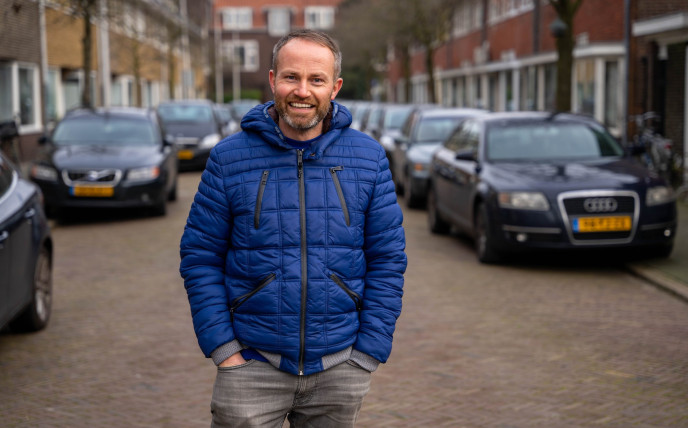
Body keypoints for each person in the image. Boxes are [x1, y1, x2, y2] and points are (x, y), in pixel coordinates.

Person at [179, 29, 406, 427]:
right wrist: (223, 348)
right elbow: (200, 258)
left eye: (316, 80)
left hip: (340, 368)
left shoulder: (368, 158)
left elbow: (388, 260)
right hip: (251, 366)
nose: (302, 91)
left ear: (334, 87)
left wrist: (368, 352)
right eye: (291, 77)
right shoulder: (228, 158)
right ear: (272, 81)